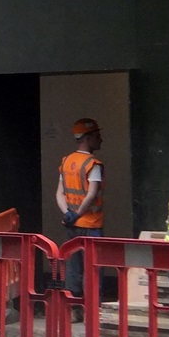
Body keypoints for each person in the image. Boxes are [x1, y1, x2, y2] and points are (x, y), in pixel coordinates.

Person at [55, 117, 105, 315]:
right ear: (87, 138)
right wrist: (77, 215)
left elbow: (59, 193)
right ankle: (92, 312)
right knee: (93, 268)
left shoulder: (66, 161)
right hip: (91, 225)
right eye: (97, 136)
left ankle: (74, 310)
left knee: (73, 267)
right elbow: (91, 195)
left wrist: (68, 214)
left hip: (72, 226)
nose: (101, 140)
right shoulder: (93, 164)